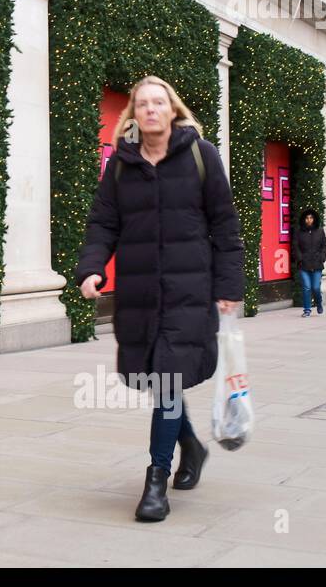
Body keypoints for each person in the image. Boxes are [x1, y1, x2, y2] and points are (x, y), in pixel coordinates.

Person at [76, 76, 244, 523]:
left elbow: (225, 227)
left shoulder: (200, 156)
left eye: (159, 102)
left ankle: (156, 480)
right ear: (132, 114)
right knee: (160, 381)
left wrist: (229, 287)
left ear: (172, 109)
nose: (151, 110)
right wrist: (92, 267)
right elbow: (103, 223)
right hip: (140, 294)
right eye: (142, 104)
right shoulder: (120, 166)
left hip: (189, 293)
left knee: (167, 378)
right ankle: (190, 445)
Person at [291, 207, 326, 317]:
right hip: (303, 264)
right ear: (304, 219)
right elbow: (295, 246)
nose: (309, 220)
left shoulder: (320, 231)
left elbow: (324, 246)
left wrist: (322, 257)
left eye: (311, 217)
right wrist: (300, 258)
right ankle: (307, 310)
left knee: (316, 287)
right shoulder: (299, 232)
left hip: (317, 263)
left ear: (314, 219)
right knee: (306, 287)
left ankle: (319, 303)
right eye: (307, 218)